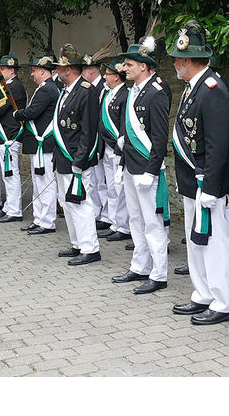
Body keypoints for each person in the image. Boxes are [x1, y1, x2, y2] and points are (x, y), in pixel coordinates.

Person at [169, 21, 229, 326]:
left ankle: (224, 303)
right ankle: (203, 293)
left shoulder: (212, 90)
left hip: (207, 182)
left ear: (187, 61)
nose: (174, 63)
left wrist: (210, 186)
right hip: (191, 181)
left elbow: (218, 144)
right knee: (196, 241)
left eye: (176, 59)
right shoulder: (193, 88)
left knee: (214, 243)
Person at [111, 39, 171, 294]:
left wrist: (151, 170)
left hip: (147, 170)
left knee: (152, 223)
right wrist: (121, 164)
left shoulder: (156, 93)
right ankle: (140, 265)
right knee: (135, 219)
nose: (125, 68)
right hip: (131, 166)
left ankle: (159, 274)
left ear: (145, 66)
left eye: (129, 64)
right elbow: (126, 133)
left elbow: (159, 138)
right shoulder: (134, 91)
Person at [52, 44, 101, 265]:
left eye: (60, 68)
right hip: (63, 158)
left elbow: (89, 131)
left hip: (76, 160)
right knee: (68, 202)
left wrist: (80, 162)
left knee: (81, 203)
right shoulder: (66, 91)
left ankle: (90, 249)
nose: (57, 71)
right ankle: (78, 244)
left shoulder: (86, 91)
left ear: (69, 69)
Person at [13, 55, 60, 234]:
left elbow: (33, 112)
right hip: (39, 145)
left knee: (45, 182)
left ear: (42, 70)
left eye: (34, 71)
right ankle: (39, 218)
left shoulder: (47, 89)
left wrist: (17, 114)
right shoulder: (45, 88)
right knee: (38, 182)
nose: (32, 74)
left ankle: (47, 222)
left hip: (44, 145)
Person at [0, 54, 28, 223]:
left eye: (3, 69)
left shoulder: (15, 86)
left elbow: (0, 109)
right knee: (7, 175)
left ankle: (15, 211)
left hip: (10, 134)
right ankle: (8, 208)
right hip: (4, 134)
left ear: (12, 70)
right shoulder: (7, 85)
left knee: (11, 175)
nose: (0, 71)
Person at [98, 60, 131, 242]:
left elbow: (123, 124)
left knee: (120, 189)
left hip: (117, 149)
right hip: (107, 148)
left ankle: (123, 226)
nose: (105, 77)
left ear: (117, 77)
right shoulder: (109, 94)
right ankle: (114, 222)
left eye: (108, 74)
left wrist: (119, 146)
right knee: (111, 187)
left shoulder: (125, 95)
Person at [81, 54, 111, 233]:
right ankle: (98, 212)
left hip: (103, 142)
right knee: (94, 181)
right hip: (93, 142)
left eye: (83, 70)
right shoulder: (91, 87)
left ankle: (107, 215)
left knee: (103, 181)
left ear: (90, 70)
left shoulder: (103, 88)